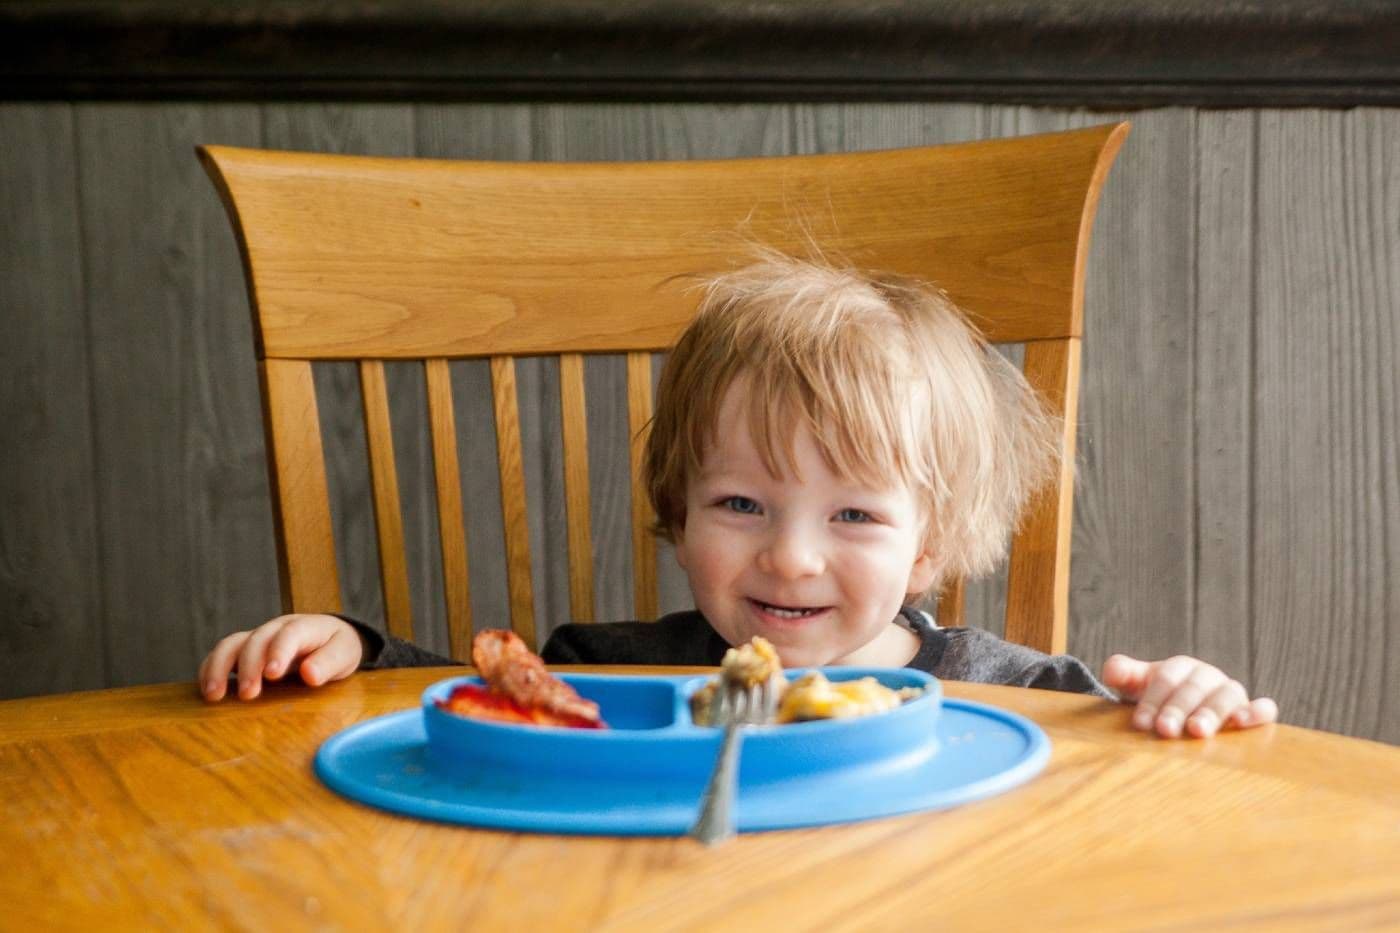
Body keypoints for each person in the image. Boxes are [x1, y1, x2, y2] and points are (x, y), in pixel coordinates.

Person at [198, 252, 1278, 740]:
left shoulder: (1023, 694)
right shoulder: (610, 675)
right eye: (741, 505)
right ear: (678, 513)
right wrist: (350, 650)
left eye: (853, 514)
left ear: (931, 542)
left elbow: (1123, 789)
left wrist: (1180, 700)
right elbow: (476, 713)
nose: (791, 556)